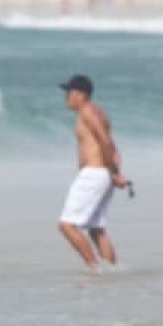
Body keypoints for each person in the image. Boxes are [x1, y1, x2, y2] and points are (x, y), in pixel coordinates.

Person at [55, 74, 126, 270]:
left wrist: (115, 173)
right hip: (102, 173)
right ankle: (112, 272)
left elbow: (105, 141)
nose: (66, 97)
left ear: (80, 94)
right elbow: (112, 145)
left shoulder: (88, 112)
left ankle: (94, 268)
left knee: (67, 225)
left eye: (68, 92)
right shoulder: (96, 112)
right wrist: (114, 172)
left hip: (94, 174)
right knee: (96, 229)